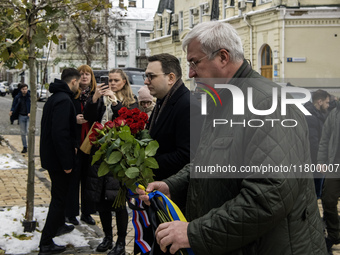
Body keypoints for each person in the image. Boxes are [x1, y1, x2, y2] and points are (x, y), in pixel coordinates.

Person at [137, 21, 326, 255]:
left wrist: (194, 232)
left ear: (223, 57)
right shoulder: (224, 100)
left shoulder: (268, 105)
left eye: (195, 62)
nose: (191, 73)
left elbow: (268, 197)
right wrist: (171, 186)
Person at [84, 69, 138, 255]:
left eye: (116, 80)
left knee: (117, 201)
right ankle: (107, 238)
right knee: (101, 201)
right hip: (100, 156)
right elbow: (89, 116)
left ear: (124, 82)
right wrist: (95, 97)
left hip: (119, 158)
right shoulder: (101, 99)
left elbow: (128, 123)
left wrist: (115, 102)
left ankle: (121, 242)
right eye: (110, 80)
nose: (112, 83)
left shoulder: (130, 102)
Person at [38, 68, 81, 255]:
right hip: (58, 160)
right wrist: (67, 163)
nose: (79, 86)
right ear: (73, 82)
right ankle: (46, 242)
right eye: (78, 83)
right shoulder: (64, 100)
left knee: (59, 197)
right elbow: (60, 134)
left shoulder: (55, 97)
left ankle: (58, 226)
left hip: (51, 157)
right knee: (59, 199)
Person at [144, 53, 201, 181]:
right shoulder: (163, 100)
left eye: (151, 76)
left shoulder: (188, 106)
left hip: (172, 192)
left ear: (170, 78)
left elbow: (187, 156)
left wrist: (146, 162)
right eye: (146, 76)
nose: (146, 81)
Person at [64, 64, 97, 226]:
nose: (84, 77)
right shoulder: (71, 95)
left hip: (91, 143)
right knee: (73, 179)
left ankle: (87, 212)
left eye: (88, 74)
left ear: (92, 77)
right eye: (82, 74)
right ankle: (70, 213)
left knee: (88, 179)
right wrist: (73, 120)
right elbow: (64, 119)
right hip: (76, 143)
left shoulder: (95, 95)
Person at [317, 101, 340, 254]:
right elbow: (325, 139)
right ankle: (334, 234)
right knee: (328, 199)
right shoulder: (334, 113)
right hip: (335, 165)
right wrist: (321, 161)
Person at [304, 89, 330, 199]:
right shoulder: (311, 116)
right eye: (327, 102)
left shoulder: (317, 114)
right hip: (315, 160)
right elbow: (313, 142)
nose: (328, 105)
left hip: (317, 160)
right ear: (320, 101)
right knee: (315, 192)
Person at [9, 83, 31, 153]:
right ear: (21, 90)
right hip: (21, 116)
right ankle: (25, 146)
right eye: (23, 89)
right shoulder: (18, 97)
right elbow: (14, 104)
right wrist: (12, 111)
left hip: (28, 116)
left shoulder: (30, 97)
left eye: (26, 89)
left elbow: (33, 105)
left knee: (28, 131)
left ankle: (30, 146)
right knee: (23, 133)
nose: (25, 90)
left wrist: (30, 112)